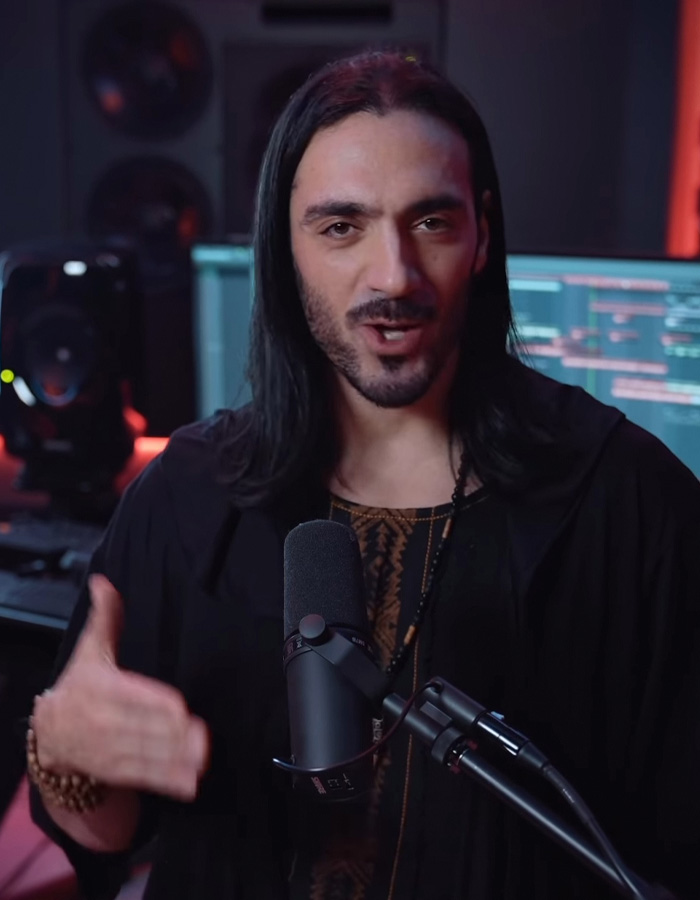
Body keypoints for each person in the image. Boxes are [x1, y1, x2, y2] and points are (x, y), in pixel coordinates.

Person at [28, 50, 699, 900]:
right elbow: (101, 837)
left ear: (483, 232)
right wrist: (68, 757)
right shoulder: (183, 497)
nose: (393, 276)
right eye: (341, 226)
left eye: (431, 222)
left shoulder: (631, 503)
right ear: (287, 248)